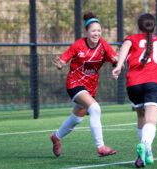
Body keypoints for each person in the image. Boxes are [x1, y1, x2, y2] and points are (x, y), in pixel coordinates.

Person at [112, 13, 157, 168]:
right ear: (153, 27)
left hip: (133, 84)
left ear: (138, 27)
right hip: (153, 83)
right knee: (151, 121)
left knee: (141, 115)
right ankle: (145, 145)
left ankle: (148, 152)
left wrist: (118, 66)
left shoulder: (131, 38)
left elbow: (125, 48)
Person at [51, 11, 117, 158]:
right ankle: (101, 147)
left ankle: (56, 137)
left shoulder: (104, 46)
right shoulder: (78, 45)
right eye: (93, 31)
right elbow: (63, 60)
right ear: (86, 32)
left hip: (90, 87)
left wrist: (118, 66)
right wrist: (61, 64)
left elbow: (116, 63)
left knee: (77, 119)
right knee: (95, 108)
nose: (96, 33)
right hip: (74, 84)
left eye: (99, 30)